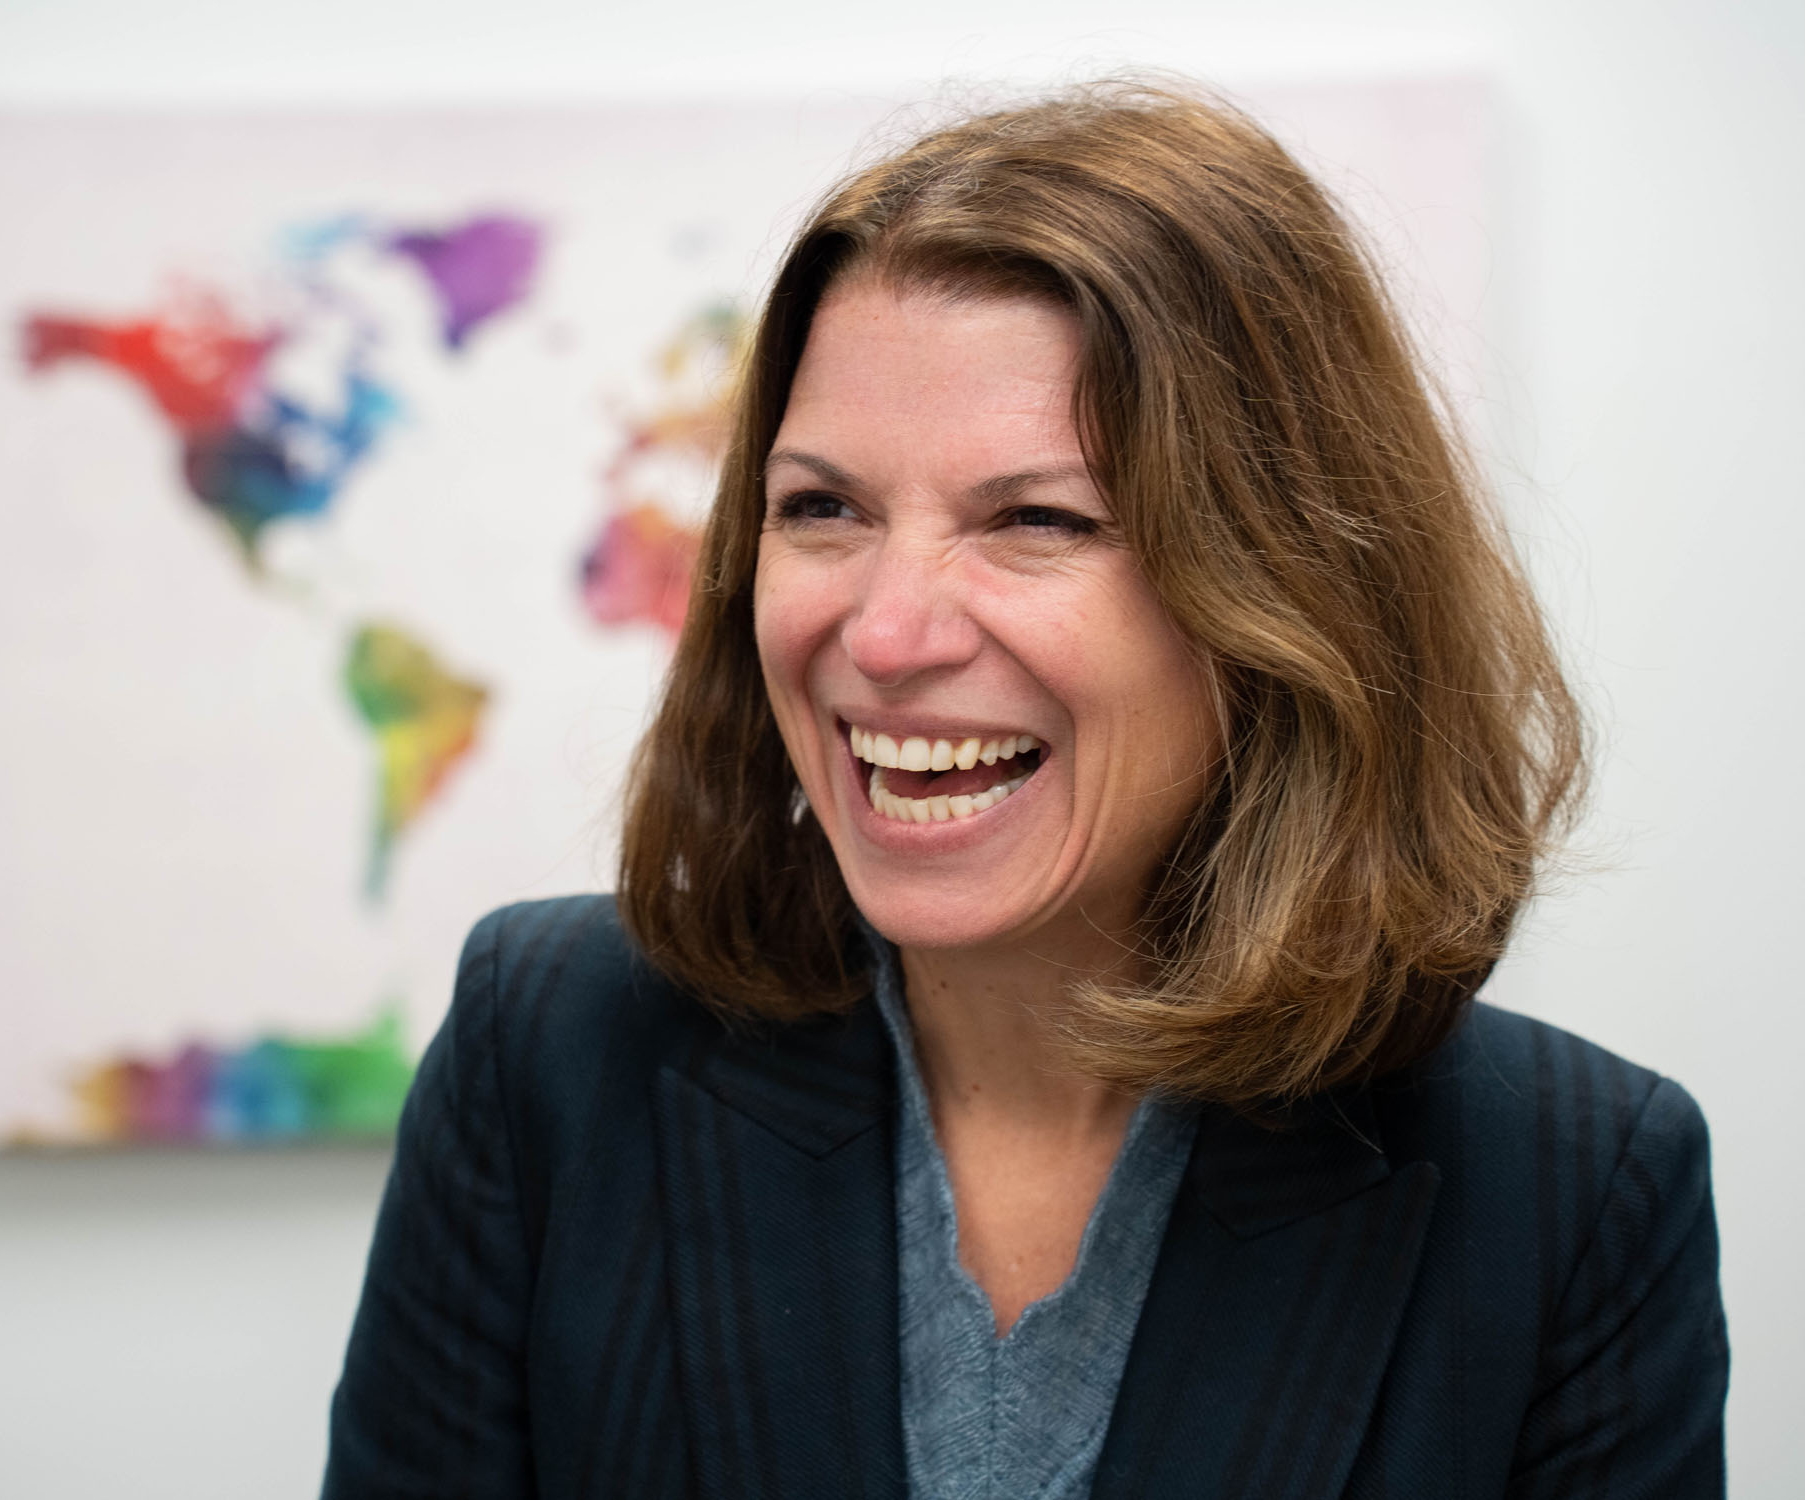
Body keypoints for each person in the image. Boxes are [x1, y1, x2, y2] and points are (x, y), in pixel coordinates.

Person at [321, 81, 1727, 1499]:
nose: (882, 634)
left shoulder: (1576, 1191)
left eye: (1037, 520)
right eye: (823, 509)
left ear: (1285, 587)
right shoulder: (547, 1051)